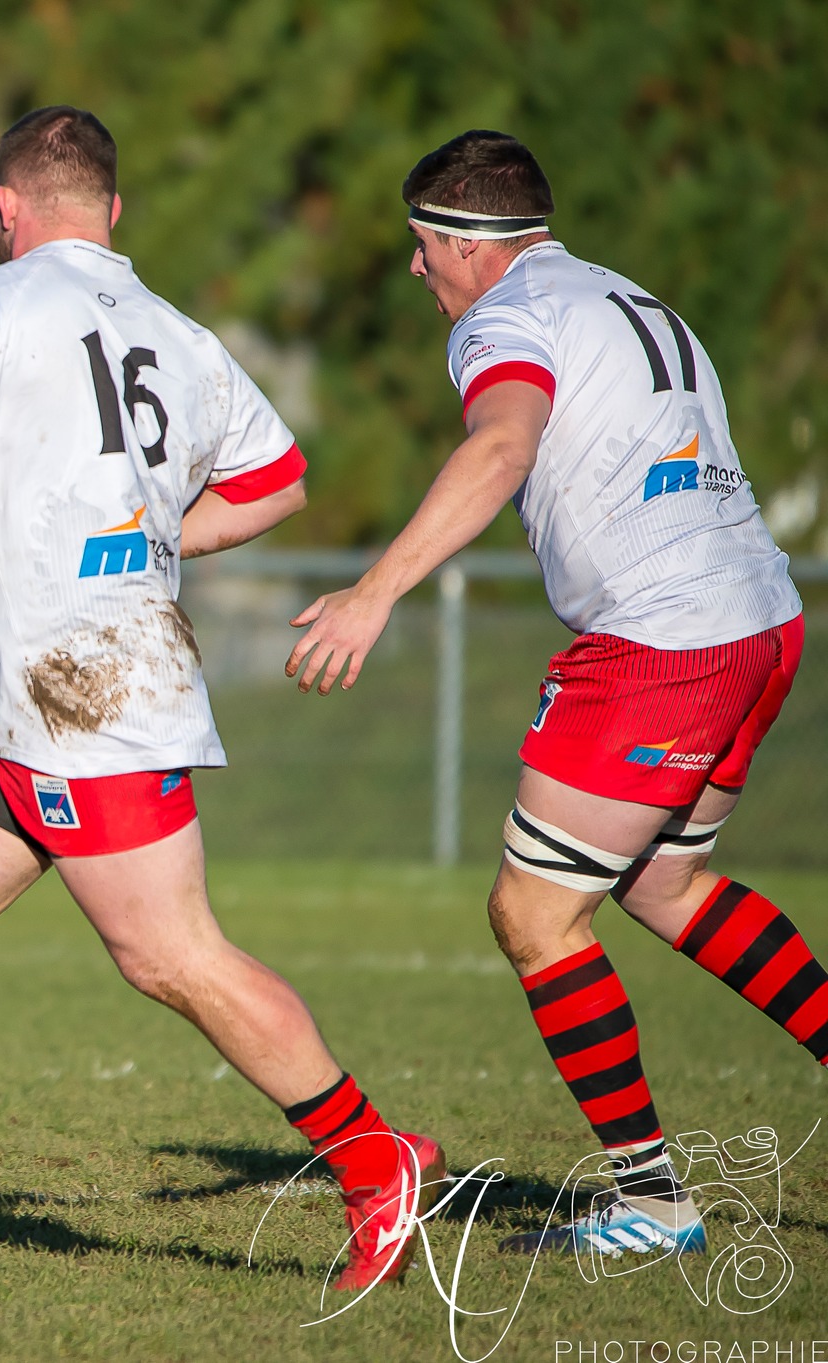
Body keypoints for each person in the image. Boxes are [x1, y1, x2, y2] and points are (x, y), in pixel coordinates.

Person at [0, 108, 442, 1286]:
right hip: (7, 689)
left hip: (83, 693)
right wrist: (139, 548)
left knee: (169, 955)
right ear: (111, 211)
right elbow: (276, 484)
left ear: (4, 207)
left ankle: (374, 1155)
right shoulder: (178, 332)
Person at [286, 130, 817, 1257]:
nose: (414, 271)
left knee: (533, 915)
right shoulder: (628, 297)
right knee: (666, 884)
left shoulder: (503, 316)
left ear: (462, 243)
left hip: (658, 645)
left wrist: (373, 592)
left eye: (420, 247)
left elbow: (499, 447)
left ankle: (652, 1200)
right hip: (759, 619)